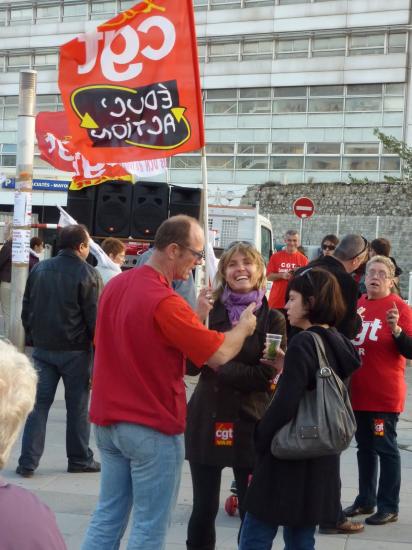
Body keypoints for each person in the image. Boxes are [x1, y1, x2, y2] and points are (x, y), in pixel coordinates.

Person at [81, 215, 257, 550]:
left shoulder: (117, 284)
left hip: (107, 421)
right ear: (174, 250)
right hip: (150, 424)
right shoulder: (165, 300)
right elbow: (218, 354)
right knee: (149, 527)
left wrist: (196, 314)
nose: (197, 263)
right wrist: (243, 329)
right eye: (196, 254)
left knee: (107, 517)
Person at [238, 267, 361, 550]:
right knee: (302, 536)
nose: (286, 305)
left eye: (293, 299)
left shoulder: (304, 341)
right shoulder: (339, 342)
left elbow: (286, 403)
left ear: (311, 302)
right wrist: (286, 367)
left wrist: (261, 436)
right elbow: (318, 388)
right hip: (321, 455)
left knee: (256, 531)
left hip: (288, 453)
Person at [185, 242, 286, 550]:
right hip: (207, 417)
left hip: (250, 421)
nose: (240, 268)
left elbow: (263, 376)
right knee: (203, 508)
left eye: (248, 263)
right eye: (232, 264)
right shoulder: (209, 311)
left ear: (259, 272)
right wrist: (196, 318)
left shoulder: (273, 319)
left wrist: (217, 362)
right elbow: (190, 365)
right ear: (224, 272)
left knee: (251, 508)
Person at [294, 234, 368, 535]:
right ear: (358, 259)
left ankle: (300, 507)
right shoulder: (345, 281)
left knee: (296, 431)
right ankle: (330, 516)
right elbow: (347, 327)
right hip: (328, 366)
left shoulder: (305, 270)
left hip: (296, 356)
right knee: (328, 438)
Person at [17, 224, 102, 478]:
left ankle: (27, 462)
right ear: (81, 246)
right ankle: (78, 458)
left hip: (43, 349)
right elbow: (95, 320)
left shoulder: (40, 268)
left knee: (38, 406)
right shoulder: (88, 274)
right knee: (77, 407)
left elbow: (26, 307)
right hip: (76, 351)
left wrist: (34, 337)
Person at [344, 255, 412, 525]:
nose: (374, 277)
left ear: (392, 279)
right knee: (364, 448)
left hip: (383, 395)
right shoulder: (358, 306)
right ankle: (365, 499)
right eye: (371, 271)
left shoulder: (399, 307)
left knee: (385, 448)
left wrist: (396, 330)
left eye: (382, 273)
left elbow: (410, 350)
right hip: (358, 392)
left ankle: (389, 505)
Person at [0, 339, 67, 549]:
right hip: (69, 346)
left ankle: (28, 461)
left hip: (44, 344)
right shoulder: (30, 518)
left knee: (42, 410)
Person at [267, 230, 308, 311]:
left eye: (294, 240)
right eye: (289, 240)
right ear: (285, 240)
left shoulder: (304, 260)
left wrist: (297, 275)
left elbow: (306, 281)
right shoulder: (275, 257)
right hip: (277, 302)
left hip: (295, 303)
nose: (292, 243)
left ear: (298, 242)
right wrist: (282, 275)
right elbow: (268, 277)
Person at [0, 221, 12, 337]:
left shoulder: (8, 246)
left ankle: (9, 340)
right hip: (17, 283)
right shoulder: (23, 247)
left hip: (6, 283)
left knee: (7, 313)